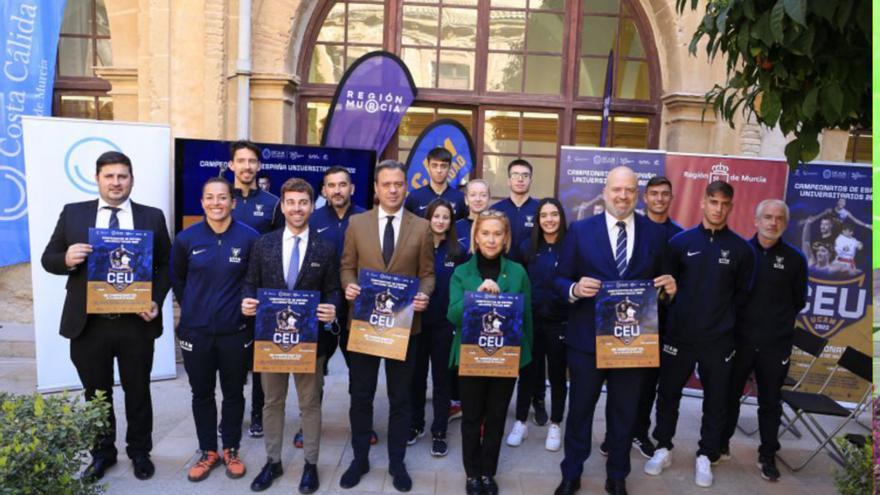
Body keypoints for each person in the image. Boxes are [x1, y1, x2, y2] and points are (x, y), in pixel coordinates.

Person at [40, 150, 172, 481]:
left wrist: (155, 299)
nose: (116, 182)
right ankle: (102, 453)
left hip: (135, 323)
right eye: (109, 176)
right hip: (89, 324)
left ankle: (140, 452)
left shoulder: (151, 217)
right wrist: (67, 258)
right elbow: (48, 258)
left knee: (138, 390)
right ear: (97, 179)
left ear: (132, 180)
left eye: (122, 176)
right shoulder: (74, 214)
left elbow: (167, 266)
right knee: (96, 394)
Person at [553, 167, 676, 495]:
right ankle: (571, 473)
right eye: (617, 189)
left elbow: (662, 284)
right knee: (579, 410)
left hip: (632, 342)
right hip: (586, 341)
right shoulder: (580, 230)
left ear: (637, 195)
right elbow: (560, 279)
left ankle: (617, 474)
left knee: (624, 412)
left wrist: (670, 288)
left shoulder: (655, 234)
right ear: (605, 192)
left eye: (630, 190)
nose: (623, 196)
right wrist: (576, 288)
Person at [645, 180, 755, 488]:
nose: (718, 209)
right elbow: (664, 292)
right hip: (679, 336)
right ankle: (663, 446)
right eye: (713, 202)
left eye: (724, 204)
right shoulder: (679, 243)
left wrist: (725, 325)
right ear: (703, 203)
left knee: (716, 400)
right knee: (667, 395)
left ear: (730, 207)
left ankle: (707, 454)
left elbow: (742, 296)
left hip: (719, 340)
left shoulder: (741, 250)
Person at [339, 160, 435, 492]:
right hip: (365, 323)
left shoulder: (421, 227)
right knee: (361, 395)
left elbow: (428, 274)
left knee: (401, 398)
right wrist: (349, 286)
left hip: (403, 326)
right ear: (376, 189)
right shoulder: (357, 223)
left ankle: (397, 462)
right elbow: (347, 266)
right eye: (386, 184)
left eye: (398, 183)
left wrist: (423, 294)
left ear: (405, 186)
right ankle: (359, 458)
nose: (393, 189)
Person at [241, 178, 341, 494]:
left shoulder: (325, 247)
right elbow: (249, 283)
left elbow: (334, 289)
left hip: (310, 342)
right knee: (272, 402)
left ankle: (310, 465)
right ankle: (273, 462)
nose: (297, 208)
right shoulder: (263, 244)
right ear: (282, 206)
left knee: (310, 404)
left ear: (313, 206)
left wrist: (332, 307)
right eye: (291, 202)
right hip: (271, 341)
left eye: (303, 202)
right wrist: (247, 302)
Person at [170, 177, 259, 482]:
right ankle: (208, 450)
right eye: (210, 197)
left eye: (222, 198)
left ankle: (231, 449)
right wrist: (193, 307)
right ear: (202, 202)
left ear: (233, 202)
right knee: (202, 393)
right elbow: (178, 280)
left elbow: (253, 280)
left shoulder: (250, 238)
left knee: (234, 393)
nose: (216, 203)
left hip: (236, 331)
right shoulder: (186, 239)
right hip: (196, 332)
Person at [447, 209, 534, 495]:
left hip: (505, 359)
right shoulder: (462, 272)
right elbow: (453, 316)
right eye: (485, 233)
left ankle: (488, 472)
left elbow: (527, 318)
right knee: (471, 417)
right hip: (471, 358)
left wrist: (525, 358)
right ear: (476, 236)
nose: (491, 239)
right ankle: (472, 474)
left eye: (498, 233)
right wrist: (478, 298)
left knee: (496, 417)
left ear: (506, 237)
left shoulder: (518, 272)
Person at [720, 199, 808, 482]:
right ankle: (720, 446)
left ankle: (767, 455)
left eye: (779, 218)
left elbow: (798, 301)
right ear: (756, 221)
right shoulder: (740, 252)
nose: (773, 223)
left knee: (770, 403)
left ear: (785, 223)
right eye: (767, 217)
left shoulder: (796, 260)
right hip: (740, 342)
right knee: (729, 397)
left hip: (775, 345)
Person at [600, 175, 685, 459]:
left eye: (665, 194)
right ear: (644, 198)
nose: (659, 199)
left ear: (671, 198)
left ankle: (639, 432)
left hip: (656, 323)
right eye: (654, 194)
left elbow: (676, 281)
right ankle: (613, 436)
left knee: (647, 383)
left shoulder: (678, 235)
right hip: (617, 320)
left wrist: (670, 294)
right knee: (617, 383)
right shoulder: (628, 226)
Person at [507, 198, 570, 452]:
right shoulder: (527, 247)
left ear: (561, 217)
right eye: (544, 215)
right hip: (531, 322)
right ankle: (521, 421)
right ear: (537, 219)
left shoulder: (571, 247)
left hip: (560, 322)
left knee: (556, 375)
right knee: (527, 374)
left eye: (554, 214)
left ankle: (556, 423)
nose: (549, 220)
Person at [227, 140, 280, 439]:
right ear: (232, 165)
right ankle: (233, 414)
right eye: (241, 161)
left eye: (252, 161)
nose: (247, 167)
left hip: (262, 294)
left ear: (259, 166)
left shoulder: (273, 203)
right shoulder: (221, 196)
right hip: (227, 290)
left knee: (261, 357)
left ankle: (259, 413)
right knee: (233, 358)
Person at [409, 199, 468, 457]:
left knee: (442, 381)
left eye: (446, 217)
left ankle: (440, 430)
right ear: (428, 218)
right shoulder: (415, 247)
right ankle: (416, 424)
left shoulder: (458, 252)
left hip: (445, 327)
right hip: (417, 324)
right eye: (436, 216)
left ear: (451, 222)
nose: (441, 221)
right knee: (416, 378)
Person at [491, 159, 540, 262]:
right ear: (508, 181)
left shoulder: (540, 209)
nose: (520, 179)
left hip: (532, 269)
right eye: (515, 175)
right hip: (502, 269)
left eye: (525, 175)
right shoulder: (496, 210)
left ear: (531, 181)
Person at [404, 147, 468, 221]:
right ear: (428, 167)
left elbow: (464, 227)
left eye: (443, 166)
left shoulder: (460, 198)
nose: (439, 170)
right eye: (434, 166)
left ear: (450, 168)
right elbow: (406, 226)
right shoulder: (414, 196)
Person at [456, 179, 491, 253]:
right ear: (466, 200)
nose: (478, 199)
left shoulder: (495, 226)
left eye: (483, 195)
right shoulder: (456, 227)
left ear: (489, 199)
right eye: (473, 195)